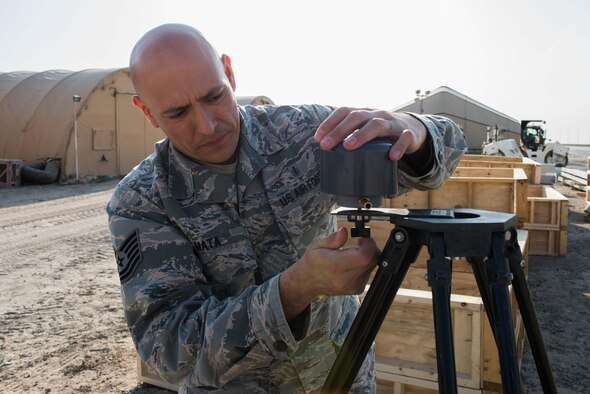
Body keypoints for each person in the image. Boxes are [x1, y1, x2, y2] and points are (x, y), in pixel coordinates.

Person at [107, 23, 467, 393]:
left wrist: (412, 130)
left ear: (229, 72)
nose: (207, 125)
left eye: (214, 96)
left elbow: (449, 145)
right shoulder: (142, 202)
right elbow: (168, 349)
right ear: (147, 112)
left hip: (344, 377)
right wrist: (295, 289)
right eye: (178, 113)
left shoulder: (302, 133)